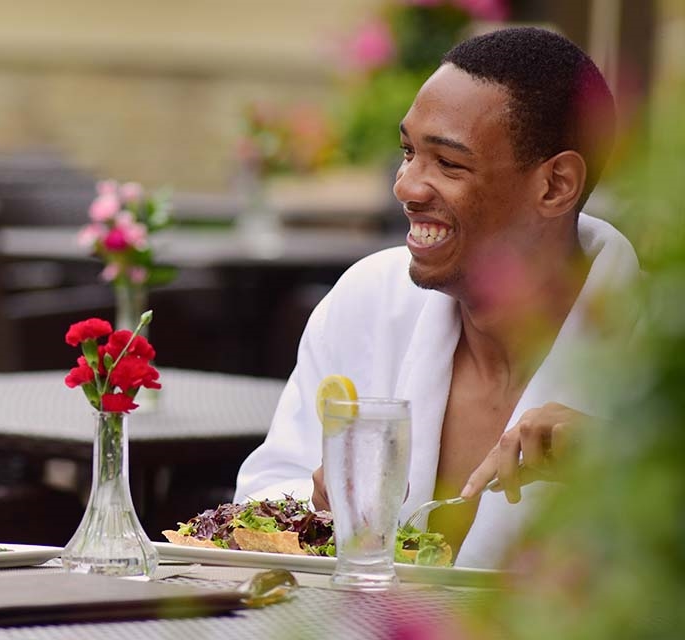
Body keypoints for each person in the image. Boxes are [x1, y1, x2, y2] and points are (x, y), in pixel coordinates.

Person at [235, 27, 637, 569]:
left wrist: (618, 460)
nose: (406, 186)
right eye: (407, 152)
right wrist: (320, 504)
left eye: (449, 164)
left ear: (556, 184)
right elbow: (263, 491)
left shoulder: (658, 356)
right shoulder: (368, 301)